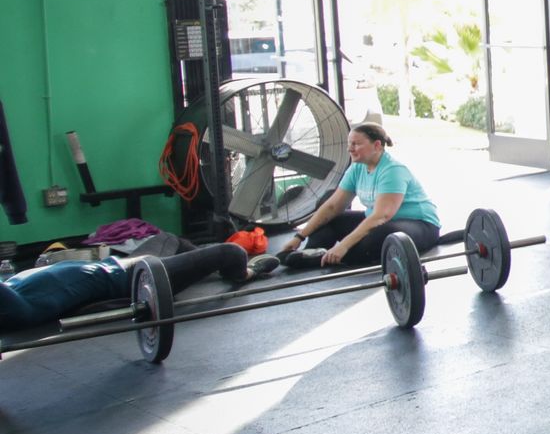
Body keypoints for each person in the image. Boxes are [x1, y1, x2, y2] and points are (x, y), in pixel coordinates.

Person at [1, 242, 273, 332]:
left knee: (172, 240)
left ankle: (202, 265)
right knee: (232, 252)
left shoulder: (12, 299)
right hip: (132, 278)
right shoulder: (22, 311)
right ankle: (247, 272)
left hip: (115, 263)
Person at [281, 122, 441, 269]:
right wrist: (299, 237)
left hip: (420, 225)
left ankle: (326, 258)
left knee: (385, 232)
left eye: (356, 144)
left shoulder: (392, 171)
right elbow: (332, 207)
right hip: (378, 222)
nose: (350, 149)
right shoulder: (357, 168)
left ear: (377, 145)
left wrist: (343, 245)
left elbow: (381, 216)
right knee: (329, 218)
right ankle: (310, 252)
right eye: (349, 144)